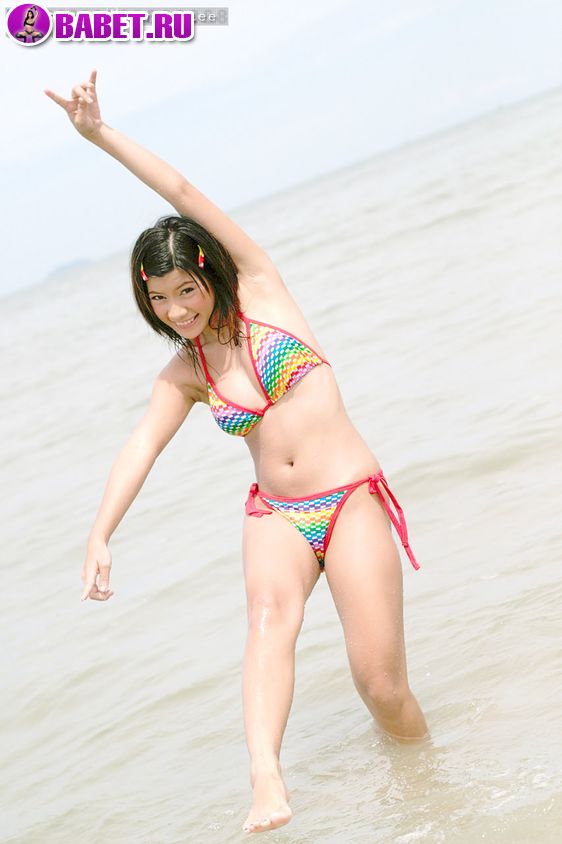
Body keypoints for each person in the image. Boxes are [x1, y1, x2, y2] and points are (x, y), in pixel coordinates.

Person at [45, 70, 429, 835]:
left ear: (209, 273)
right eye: (158, 299)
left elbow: (183, 190)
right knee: (266, 617)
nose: (176, 310)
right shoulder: (185, 371)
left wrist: (99, 134)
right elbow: (142, 444)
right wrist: (99, 533)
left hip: (349, 500)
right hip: (276, 513)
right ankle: (265, 780)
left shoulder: (263, 292)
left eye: (185, 290)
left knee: (381, 688)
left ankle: (429, 786)